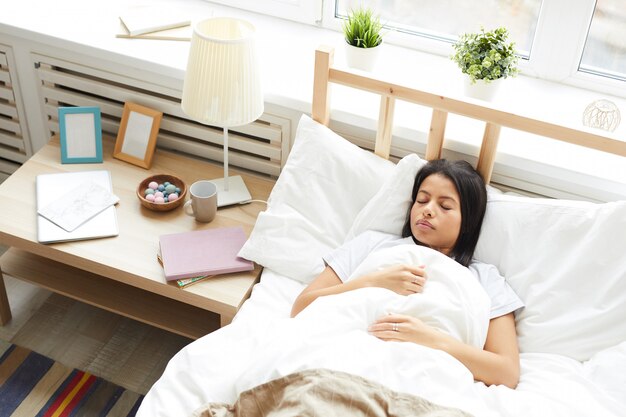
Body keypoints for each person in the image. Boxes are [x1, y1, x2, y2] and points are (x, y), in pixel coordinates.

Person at [291, 159, 524, 389]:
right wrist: (374, 281)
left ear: (467, 222)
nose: (428, 210)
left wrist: (428, 338)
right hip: (345, 357)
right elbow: (302, 307)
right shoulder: (372, 245)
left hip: (423, 377)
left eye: (444, 206)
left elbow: (506, 371)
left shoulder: (485, 279)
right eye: (422, 200)